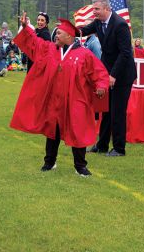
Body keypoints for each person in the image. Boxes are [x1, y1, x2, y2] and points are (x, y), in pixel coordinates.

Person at [10, 14, 109, 177]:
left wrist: (101, 85)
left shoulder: (84, 54)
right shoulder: (49, 49)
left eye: (59, 33)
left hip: (75, 100)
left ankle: (80, 166)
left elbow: (98, 72)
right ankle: (49, 162)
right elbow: (34, 43)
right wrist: (26, 27)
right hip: (54, 100)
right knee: (52, 131)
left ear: (69, 36)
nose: (56, 35)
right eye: (56, 33)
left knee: (77, 130)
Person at [80, 0, 136, 157]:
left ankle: (119, 148)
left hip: (122, 74)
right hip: (108, 72)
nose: (94, 12)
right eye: (93, 9)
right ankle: (102, 144)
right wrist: (68, 30)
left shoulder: (120, 25)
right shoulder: (98, 22)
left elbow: (125, 53)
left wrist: (113, 75)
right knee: (105, 109)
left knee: (118, 111)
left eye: (96, 9)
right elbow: (83, 31)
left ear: (106, 8)